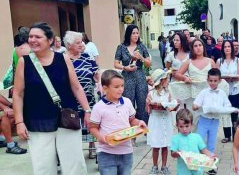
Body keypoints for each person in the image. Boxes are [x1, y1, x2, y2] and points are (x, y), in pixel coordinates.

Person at [13, 22, 91, 174]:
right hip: (38, 121)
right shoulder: (25, 62)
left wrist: (87, 110)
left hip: (66, 118)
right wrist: (19, 121)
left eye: (38, 37)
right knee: (43, 166)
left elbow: (76, 87)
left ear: (50, 40)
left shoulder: (63, 59)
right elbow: (18, 93)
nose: (33, 40)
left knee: (74, 164)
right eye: (30, 37)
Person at [89, 70, 147, 175]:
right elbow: (93, 127)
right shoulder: (99, 107)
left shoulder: (127, 102)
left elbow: (132, 120)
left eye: (122, 86)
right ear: (105, 88)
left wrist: (139, 123)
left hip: (126, 152)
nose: (120, 89)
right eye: (116, 87)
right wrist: (101, 138)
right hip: (106, 153)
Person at [64, 31, 100, 159]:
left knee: (91, 123)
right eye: (78, 42)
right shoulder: (63, 59)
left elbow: (96, 73)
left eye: (81, 42)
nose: (81, 44)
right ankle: (74, 150)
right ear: (69, 45)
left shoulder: (87, 57)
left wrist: (97, 77)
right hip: (71, 99)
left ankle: (92, 147)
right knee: (72, 124)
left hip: (88, 97)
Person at [114, 25, 151, 124]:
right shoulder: (121, 47)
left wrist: (141, 58)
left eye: (137, 33)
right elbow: (116, 64)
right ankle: (129, 130)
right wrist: (124, 67)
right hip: (127, 77)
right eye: (133, 33)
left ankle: (144, 128)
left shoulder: (141, 46)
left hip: (140, 76)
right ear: (128, 34)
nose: (135, 35)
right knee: (128, 102)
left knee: (142, 103)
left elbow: (148, 63)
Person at [193, 68, 231, 163]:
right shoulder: (204, 92)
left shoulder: (222, 93)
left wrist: (224, 109)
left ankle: (210, 164)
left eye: (215, 81)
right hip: (204, 120)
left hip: (215, 121)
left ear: (219, 81)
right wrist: (196, 106)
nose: (213, 83)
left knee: (211, 142)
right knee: (200, 141)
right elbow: (196, 103)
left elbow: (228, 105)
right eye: (210, 80)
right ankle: (198, 161)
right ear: (207, 80)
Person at [146, 69, 175, 175]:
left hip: (166, 120)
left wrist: (173, 106)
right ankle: (154, 166)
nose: (168, 81)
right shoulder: (152, 93)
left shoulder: (168, 92)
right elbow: (148, 108)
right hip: (156, 121)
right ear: (160, 81)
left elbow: (172, 104)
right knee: (156, 144)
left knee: (165, 145)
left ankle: (164, 166)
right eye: (166, 79)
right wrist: (152, 104)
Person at [175, 39, 216, 112]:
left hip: (208, 93)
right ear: (192, 49)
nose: (198, 48)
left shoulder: (211, 61)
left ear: (203, 47)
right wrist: (185, 78)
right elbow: (177, 74)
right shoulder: (188, 62)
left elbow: (218, 76)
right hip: (193, 94)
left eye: (200, 45)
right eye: (195, 46)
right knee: (193, 118)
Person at [170, 108, 214, 175]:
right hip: (183, 171)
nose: (184, 129)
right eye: (181, 126)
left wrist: (211, 156)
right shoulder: (175, 138)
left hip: (197, 170)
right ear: (177, 126)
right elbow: (173, 154)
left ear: (192, 125)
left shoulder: (197, 137)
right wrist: (177, 153)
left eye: (187, 126)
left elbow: (204, 150)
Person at [216, 40, 239, 143]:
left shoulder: (237, 60)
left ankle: (235, 134)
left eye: (229, 46)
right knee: (225, 113)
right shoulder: (219, 61)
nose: (227, 48)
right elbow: (216, 76)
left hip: (235, 89)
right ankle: (227, 135)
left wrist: (234, 78)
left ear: (232, 48)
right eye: (225, 47)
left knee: (234, 112)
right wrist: (223, 78)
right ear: (222, 48)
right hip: (223, 91)